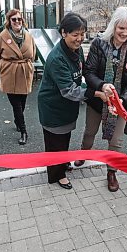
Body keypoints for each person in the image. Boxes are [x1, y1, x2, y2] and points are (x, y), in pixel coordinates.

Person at [38, 13, 109, 189]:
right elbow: (69, 90)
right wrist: (96, 93)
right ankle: (57, 175)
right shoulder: (57, 58)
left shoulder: (76, 51)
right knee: (55, 143)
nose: (79, 39)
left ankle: (61, 164)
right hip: (53, 107)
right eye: (75, 34)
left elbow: (82, 74)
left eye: (82, 34)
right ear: (63, 33)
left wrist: (98, 84)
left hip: (67, 107)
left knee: (63, 140)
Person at [75, 7, 127, 192]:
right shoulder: (99, 44)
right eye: (121, 28)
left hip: (120, 104)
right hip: (98, 99)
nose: (125, 32)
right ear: (114, 26)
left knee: (116, 140)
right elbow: (88, 72)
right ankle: (83, 152)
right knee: (90, 131)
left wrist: (122, 99)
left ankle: (111, 172)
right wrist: (102, 85)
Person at [0, 9, 36, 145]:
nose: (17, 21)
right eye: (14, 19)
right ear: (9, 21)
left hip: (24, 73)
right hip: (9, 74)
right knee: (16, 105)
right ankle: (24, 131)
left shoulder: (29, 36)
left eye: (19, 19)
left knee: (22, 104)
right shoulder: (2, 37)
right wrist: (6, 67)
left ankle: (18, 120)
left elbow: (32, 54)